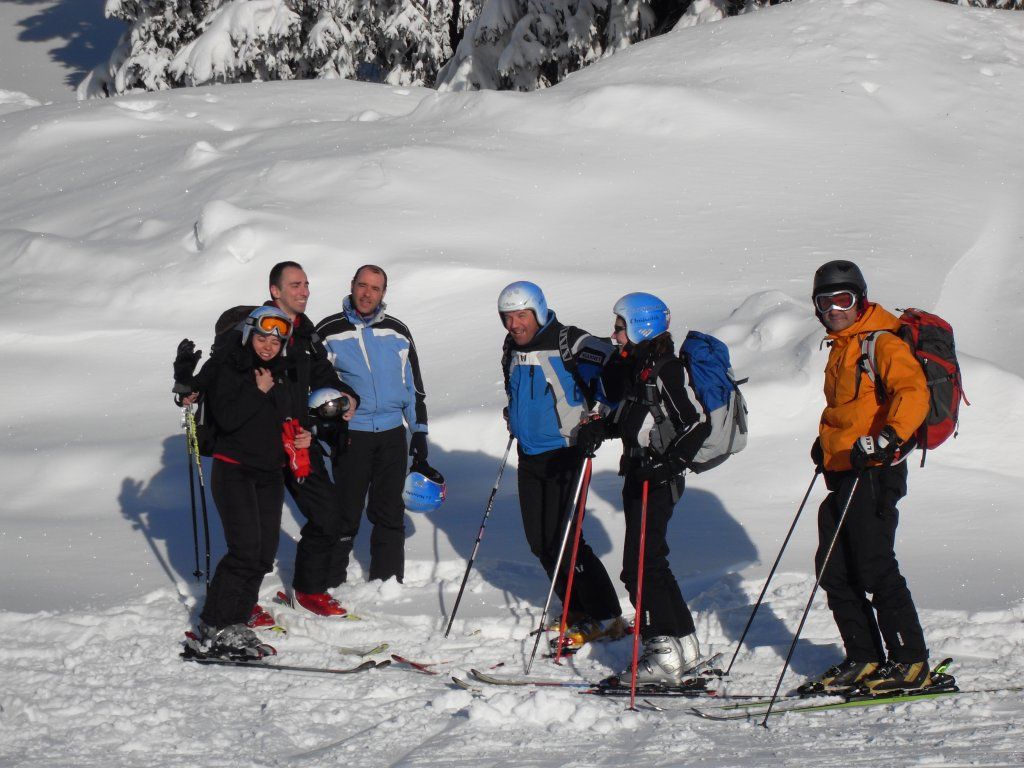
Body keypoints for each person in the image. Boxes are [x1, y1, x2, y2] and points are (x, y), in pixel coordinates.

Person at [173, 261, 361, 620]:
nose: (304, 291)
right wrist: (189, 388)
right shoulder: (247, 327)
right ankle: (242, 605)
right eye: (295, 285)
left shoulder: (304, 335)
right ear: (276, 290)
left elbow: (323, 376)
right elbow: (215, 377)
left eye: (307, 284)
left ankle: (308, 589)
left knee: (327, 516)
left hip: (295, 443)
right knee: (251, 541)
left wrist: (348, 398)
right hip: (250, 447)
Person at [800, 259, 932, 695]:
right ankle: (864, 657)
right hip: (844, 471)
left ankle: (910, 661)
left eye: (844, 299)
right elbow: (848, 410)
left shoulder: (882, 342)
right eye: (827, 301)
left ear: (860, 299)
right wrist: (829, 444)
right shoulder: (841, 346)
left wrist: (888, 438)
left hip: (876, 471)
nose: (835, 308)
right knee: (833, 569)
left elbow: (913, 393)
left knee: (875, 567)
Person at [498, 281, 626, 652]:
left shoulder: (571, 341)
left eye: (521, 315)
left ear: (537, 311)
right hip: (529, 453)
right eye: (507, 317)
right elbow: (517, 388)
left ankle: (606, 614)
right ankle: (577, 609)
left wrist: (599, 420)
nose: (514, 324)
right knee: (540, 541)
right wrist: (515, 414)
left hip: (566, 452)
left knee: (566, 539)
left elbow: (615, 373)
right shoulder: (512, 347)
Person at [602, 292, 710, 686]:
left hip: (655, 480)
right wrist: (605, 428)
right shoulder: (642, 364)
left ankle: (660, 654)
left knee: (639, 569)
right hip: (641, 474)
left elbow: (696, 421)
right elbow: (639, 416)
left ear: (639, 326)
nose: (614, 335)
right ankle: (685, 646)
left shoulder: (663, 368)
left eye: (619, 327)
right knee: (654, 563)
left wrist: (668, 466)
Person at [188, 306, 308, 658]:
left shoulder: (279, 374)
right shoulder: (229, 367)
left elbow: (286, 418)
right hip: (234, 469)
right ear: (248, 335)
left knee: (262, 555)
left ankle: (236, 620)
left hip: (269, 473)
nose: (268, 346)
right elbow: (227, 419)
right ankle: (215, 622)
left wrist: (303, 437)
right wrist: (257, 391)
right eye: (262, 337)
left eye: (276, 340)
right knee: (243, 550)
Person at [316, 265, 433, 583]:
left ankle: (388, 582)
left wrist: (418, 432)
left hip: (393, 435)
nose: (368, 293)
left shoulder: (397, 331)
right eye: (362, 286)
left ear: (384, 293)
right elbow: (313, 388)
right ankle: (329, 581)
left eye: (376, 288)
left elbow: (414, 387)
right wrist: (327, 430)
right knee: (346, 512)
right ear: (352, 285)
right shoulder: (327, 332)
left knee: (389, 511)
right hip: (352, 435)